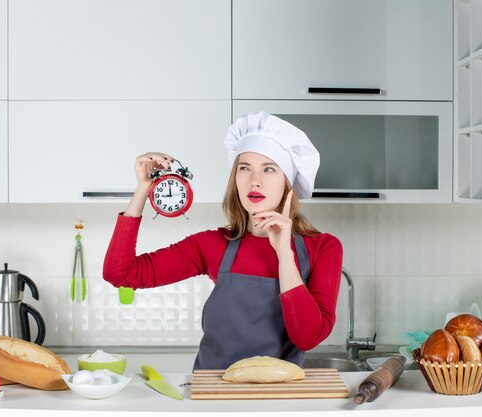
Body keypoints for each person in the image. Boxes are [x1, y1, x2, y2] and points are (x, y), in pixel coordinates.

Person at [103, 111, 343, 370]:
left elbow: (307, 337)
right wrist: (143, 188)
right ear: (235, 179)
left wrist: (284, 253)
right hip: (212, 394)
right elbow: (120, 273)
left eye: (269, 169)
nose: (255, 180)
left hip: (278, 397)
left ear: (288, 185)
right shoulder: (213, 245)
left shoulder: (322, 248)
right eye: (244, 168)